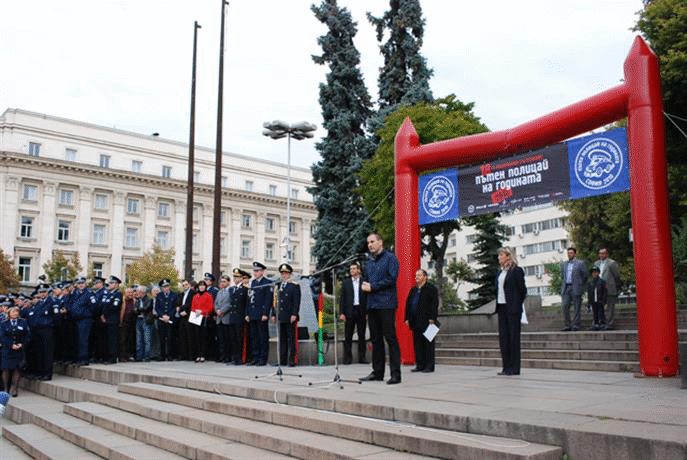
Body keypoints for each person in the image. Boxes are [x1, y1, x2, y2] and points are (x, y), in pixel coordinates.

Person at [360, 233, 401, 385]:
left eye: (372, 242)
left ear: (380, 242)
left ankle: (396, 374)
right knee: (375, 340)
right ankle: (378, 372)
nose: (370, 245)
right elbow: (367, 282)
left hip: (386, 304)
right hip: (372, 305)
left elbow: (392, 279)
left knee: (390, 338)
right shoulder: (369, 262)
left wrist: (373, 286)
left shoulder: (390, 258)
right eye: (368, 242)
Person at [495, 247, 527, 376]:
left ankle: (514, 368)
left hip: (512, 309)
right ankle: (506, 367)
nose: (499, 257)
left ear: (508, 256)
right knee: (504, 338)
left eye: (501, 255)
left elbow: (522, 290)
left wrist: (516, 303)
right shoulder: (499, 273)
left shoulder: (517, 271)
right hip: (501, 307)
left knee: (514, 338)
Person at [404, 269, 438, 373]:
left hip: (427, 321)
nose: (417, 277)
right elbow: (408, 304)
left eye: (419, 275)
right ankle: (420, 364)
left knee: (428, 344)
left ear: (425, 277)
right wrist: (407, 318)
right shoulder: (413, 289)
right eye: (416, 275)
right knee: (417, 343)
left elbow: (434, 304)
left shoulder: (431, 289)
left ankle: (429, 366)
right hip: (415, 320)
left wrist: (432, 317)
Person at [339, 261, 368, 365]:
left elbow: (367, 297)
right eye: (351, 269)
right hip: (349, 311)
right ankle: (347, 358)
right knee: (348, 336)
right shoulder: (346, 282)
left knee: (361, 335)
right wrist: (341, 312)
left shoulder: (364, 281)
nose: (352, 271)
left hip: (361, 310)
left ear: (359, 270)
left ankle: (362, 357)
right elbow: (342, 298)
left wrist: (367, 312)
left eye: (354, 269)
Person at [245, 262, 272, 366]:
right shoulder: (253, 283)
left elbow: (268, 300)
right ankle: (255, 357)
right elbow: (249, 299)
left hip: (261, 314)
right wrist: (247, 313)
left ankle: (262, 358)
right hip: (252, 313)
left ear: (262, 271)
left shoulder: (267, 282)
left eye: (257, 271)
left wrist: (265, 313)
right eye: (254, 271)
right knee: (254, 337)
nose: (255, 273)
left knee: (262, 337)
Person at [1, 307, 31, 397]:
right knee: (6, 369)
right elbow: (2, 336)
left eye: (16, 312)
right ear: (9, 313)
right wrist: (11, 344)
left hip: (19, 349)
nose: (15, 313)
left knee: (17, 369)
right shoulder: (4, 324)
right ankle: (6, 388)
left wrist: (22, 344)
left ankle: (14, 388)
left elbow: (28, 335)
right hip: (7, 349)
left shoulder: (23, 322)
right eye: (13, 312)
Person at [68, 277, 98, 366]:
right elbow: (71, 304)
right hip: (76, 319)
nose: (81, 285)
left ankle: (83, 359)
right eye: (79, 283)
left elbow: (94, 306)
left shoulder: (89, 293)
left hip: (85, 319)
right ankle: (77, 358)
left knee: (83, 339)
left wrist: (87, 313)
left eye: (82, 283)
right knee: (77, 339)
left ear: (85, 284)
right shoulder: (75, 293)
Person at [276, 263, 301, 367]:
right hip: (281, 316)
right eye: (282, 273)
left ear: (290, 274)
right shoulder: (278, 286)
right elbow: (276, 302)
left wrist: (294, 314)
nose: (284, 275)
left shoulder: (294, 286)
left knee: (291, 339)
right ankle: (282, 360)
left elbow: (296, 301)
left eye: (286, 273)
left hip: (290, 316)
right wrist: (274, 314)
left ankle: (292, 360)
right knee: (282, 340)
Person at [560, 247, 587, 331]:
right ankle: (567, 325)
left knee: (577, 307)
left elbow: (585, 275)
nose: (569, 254)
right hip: (566, 287)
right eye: (568, 253)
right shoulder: (564, 264)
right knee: (565, 306)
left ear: (575, 254)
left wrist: (580, 284)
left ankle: (576, 324)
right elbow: (562, 276)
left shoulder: (580, 263)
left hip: (576, 287)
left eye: (571, 253)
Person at [594, 248, 621, 329]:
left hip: (609, 287)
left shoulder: (612, 263)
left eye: (603, 253)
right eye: (600, 253)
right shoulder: (596, 263)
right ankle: (600, 322)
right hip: (599, 288)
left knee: (610, 306)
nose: (601, 255)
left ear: (607, 254)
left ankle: (609, 323)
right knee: (599, 306)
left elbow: (616, 275)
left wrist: (614, 285)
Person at [226, 269, 249, 365]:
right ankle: (234, 357)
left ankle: (240, 358)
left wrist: (246, 314)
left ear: (241, 278)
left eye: (237, 277)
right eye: (234, 277)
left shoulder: (245, 289)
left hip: (240, 316)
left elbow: (246, 303)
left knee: (239, 338)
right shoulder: (231, 289)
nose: (235, 279)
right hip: (232, 316)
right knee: (233, 338)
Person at [190, 280, 213, 362]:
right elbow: (192, 307)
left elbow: (210, 307)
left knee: (203, 336)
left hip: (204, 317)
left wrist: (202, 311)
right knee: (196, 336)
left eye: (203, 286)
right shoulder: (195, 296)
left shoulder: (208, 295)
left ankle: (203, 354)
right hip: (196, 317)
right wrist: (195, 311)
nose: (201, 287)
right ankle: (197, 354)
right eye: (200, 286)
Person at [100, 276, 122, 364]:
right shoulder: (108, 294)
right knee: (106, 339)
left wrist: (105, 314)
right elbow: (102, 305)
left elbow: (114, 306)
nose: (110, 285)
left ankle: (112, 358)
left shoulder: (118, 294)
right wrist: (102, 315)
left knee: (112, 339)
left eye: (112, 283)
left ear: (116, 285)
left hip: (113, 319)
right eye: (110, 283)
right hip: (106, 318)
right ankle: (106, 356)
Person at [154, 279, 177, 361]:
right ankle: (162, 355)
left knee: (170, 337)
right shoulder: (159, 296)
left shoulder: (174, 295)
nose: (166, 288)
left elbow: (174, 307)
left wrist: (169, 316)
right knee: (162, 338)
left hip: (170, 319)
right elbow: (157, 307)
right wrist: (162, 315)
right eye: (164, 287)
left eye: (167, 286)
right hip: (161, 319)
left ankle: (170, 355)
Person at [214, 275, 232, 363]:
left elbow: (229, 303)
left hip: (226, 317)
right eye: (221, 281)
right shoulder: (219, 292)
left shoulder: (230, 291)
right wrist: (217, 310)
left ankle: (228, 356)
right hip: (219, 318)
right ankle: (222, 355)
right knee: (220, 339)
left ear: (228, 282)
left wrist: (222, 311)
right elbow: (216, 303)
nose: (222, 283)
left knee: (227, 338)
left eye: (224, 281)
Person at [134, 285, 154, 362]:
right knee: (139, 339)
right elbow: (135, 310)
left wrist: (138, 309)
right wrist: (139, 309)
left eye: (138, 292)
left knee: (147, 339)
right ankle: (139, 355)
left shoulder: (149, 299)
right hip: (138, 319)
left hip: (146, 320)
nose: (137, 293)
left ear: (142, 292)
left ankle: (147, 356)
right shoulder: (137, 300)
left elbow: (146, 308)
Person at [176, 279, 195, 361]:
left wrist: (184, 310)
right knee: (182, 336)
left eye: (186, 284)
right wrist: (180, 310)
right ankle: (183, 354)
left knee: (190, 337)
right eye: (183, 285)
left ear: (189, 285)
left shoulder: (192, 293)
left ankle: (190, 355)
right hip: (182, 317)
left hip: (189, 316)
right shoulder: (181, 294)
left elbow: (191, 304)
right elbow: (178, 304)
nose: (185, 286)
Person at [587, 266, 608, 330]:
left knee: (601, 312)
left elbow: (605, 292)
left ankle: (602, 323)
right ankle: (596, 323)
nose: (594, 274)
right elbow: (589, 293)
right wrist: (589, 302)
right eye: (593, 273)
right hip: (593, 300)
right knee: (595, 312)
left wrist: (604, 301)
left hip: (600, 300)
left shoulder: (602, 282)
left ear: (598, 273)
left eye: (595, 272)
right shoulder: (591, 283)